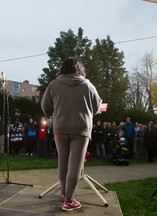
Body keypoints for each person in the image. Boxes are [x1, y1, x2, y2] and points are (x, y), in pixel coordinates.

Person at [41, 57, 102, 211]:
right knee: (75, 165)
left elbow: (44, 105)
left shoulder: (53, 85)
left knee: (63, 161)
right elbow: (97, 107)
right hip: (80, 129)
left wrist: (50, 113)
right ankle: (69, 200)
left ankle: (63, 192)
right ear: (79, 69)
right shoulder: (88, 85)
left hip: (60, 128)